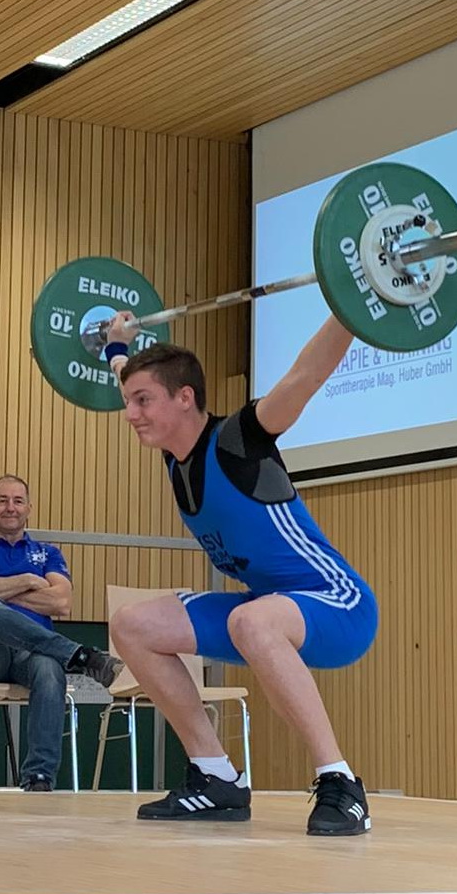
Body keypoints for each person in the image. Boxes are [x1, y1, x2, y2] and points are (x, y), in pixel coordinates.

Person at [102, 314, 378, 835]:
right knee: (132, 625)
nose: (130, 413)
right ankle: (215, 776)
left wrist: (354, 304)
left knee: (251, 621)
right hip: (266, 608)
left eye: (143, 401)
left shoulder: (239, 438)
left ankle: (341, 782)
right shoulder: (174, 455)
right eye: (129, 400)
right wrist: (117, 346)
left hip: (339, 604)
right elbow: (126, 373)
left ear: (185, 397)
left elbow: (306, 377)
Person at [0, 474, 124, 791]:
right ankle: (79, 656)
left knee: (49, 669)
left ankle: (39, 776)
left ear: (29, 508)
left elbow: (61, 602)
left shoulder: (48, 553)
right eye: (2, 500)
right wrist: (28, 580)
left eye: (18, 501)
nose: (10, 507)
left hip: (32, 656)